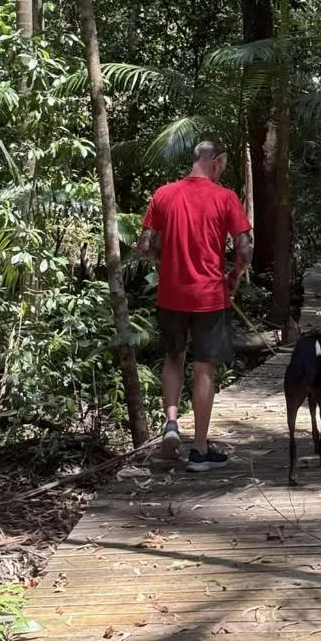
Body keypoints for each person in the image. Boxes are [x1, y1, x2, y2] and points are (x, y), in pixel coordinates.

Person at [137, 141, 253, 471]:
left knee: (174, 358)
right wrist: (232, 276)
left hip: (171, 295)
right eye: (224, 165)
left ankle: (171, 424)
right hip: (209, 298)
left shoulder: (163, 194)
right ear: (215, 162)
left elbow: (144, 247)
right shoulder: (225, 198)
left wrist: (169, 260)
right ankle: (199, 450)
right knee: (204, 368)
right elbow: (244, 251)